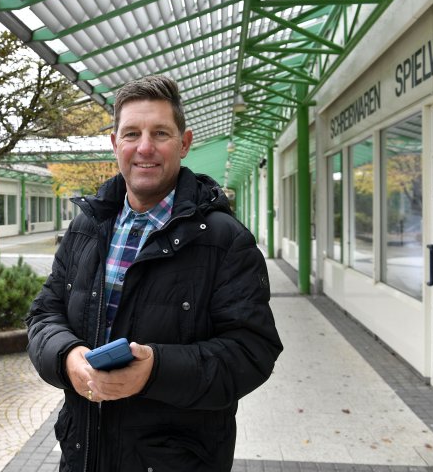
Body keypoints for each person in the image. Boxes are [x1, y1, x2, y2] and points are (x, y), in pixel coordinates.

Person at [26, 75, 283, 472]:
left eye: (160, 133)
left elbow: (253, 352)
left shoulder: (225, 241)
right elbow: (45, 314)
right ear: (115, 144)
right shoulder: (87, 228)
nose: (144, 147)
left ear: (184, 143)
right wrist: (67, 357)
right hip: (84, 453)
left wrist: (155, 370)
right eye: (131, 133)